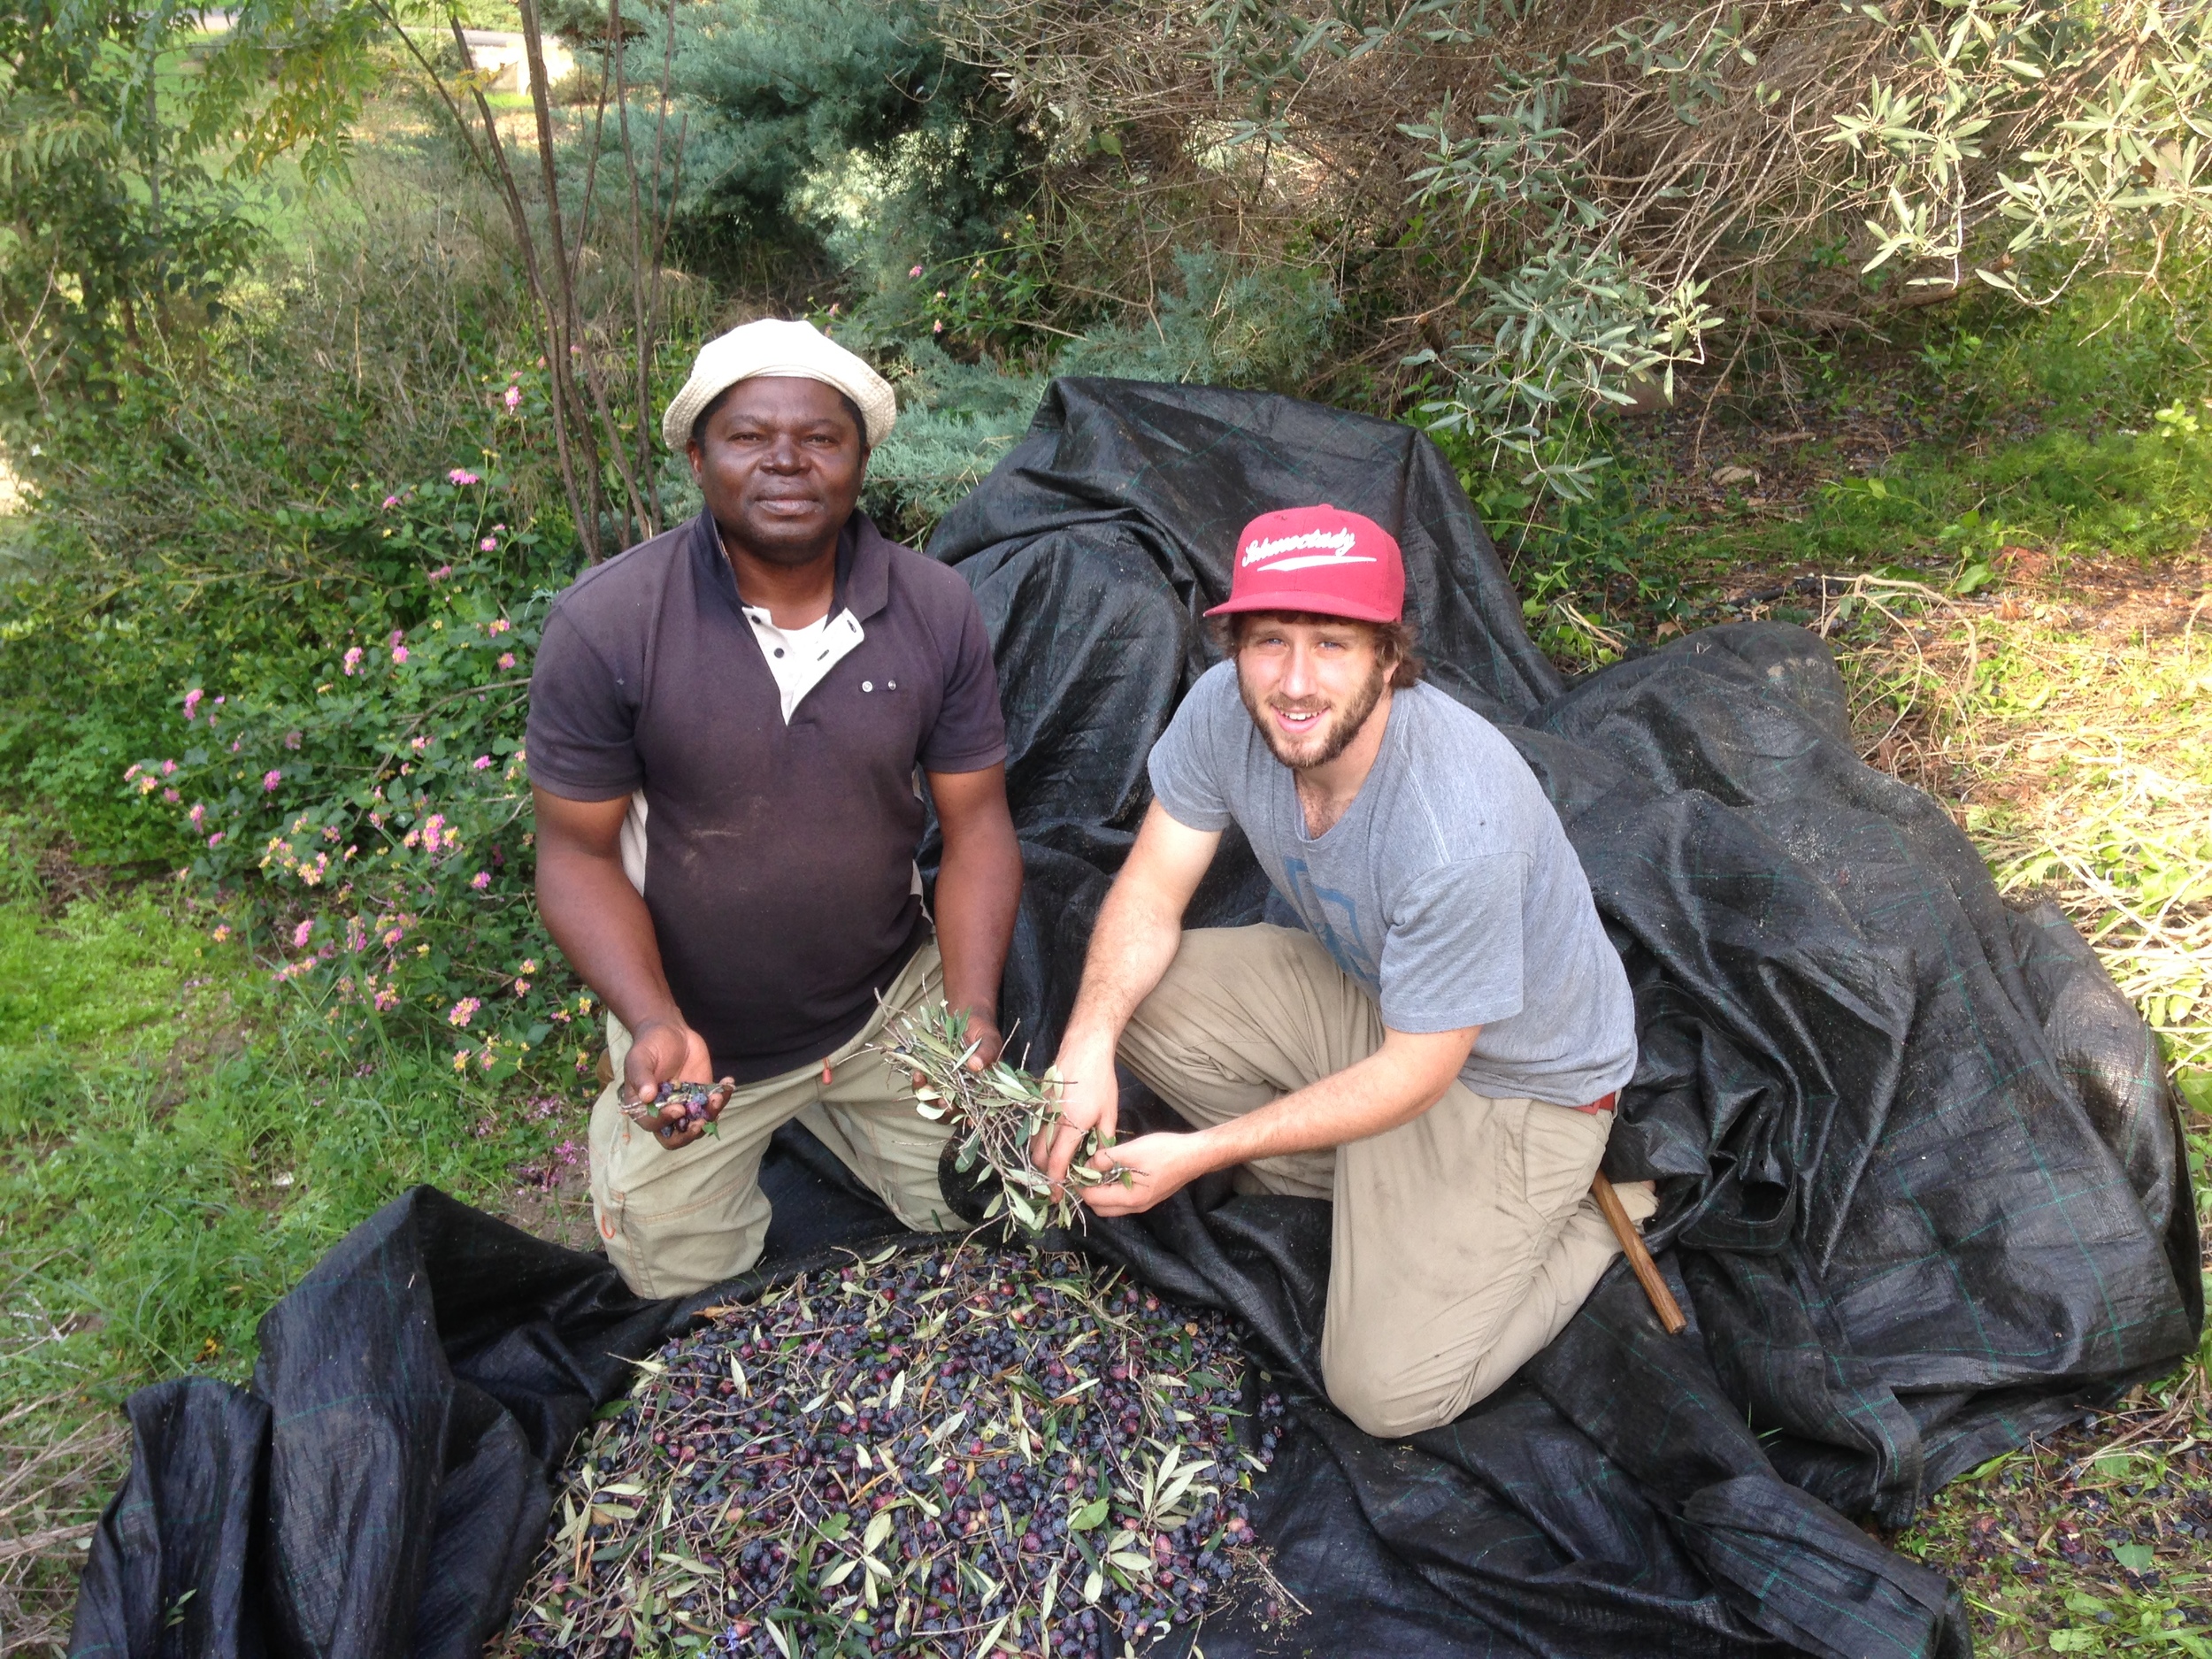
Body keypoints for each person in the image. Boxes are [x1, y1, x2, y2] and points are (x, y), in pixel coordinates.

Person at [1036, 503, 1653, 1438]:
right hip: (1379, 999)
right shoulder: (1223, 713)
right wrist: (1088, 1042)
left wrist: (1204, 1152)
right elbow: (1152, 890)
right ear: (1234, 647)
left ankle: (1595, 1215)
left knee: (1384, 1394)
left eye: (1331, 644)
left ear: (1390, 659)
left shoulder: (1454, 829)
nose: (1292, 682)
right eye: (1268, 641)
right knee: (1139, 999)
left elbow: (1420, 1072)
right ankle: (1365, 1177)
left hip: (1512, 1085)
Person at [526, 318, 1022, 1297]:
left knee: (989, 1209)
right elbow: (576, 857)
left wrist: (969, 1012)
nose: (786, 461)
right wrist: (652, 1020)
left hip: (885, 1004)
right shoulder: (611, 622)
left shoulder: (934, 607)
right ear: (698, 457)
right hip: (700, 1035)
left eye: (821, 437)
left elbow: (976, 827)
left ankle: (859, 1105)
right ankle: (702, 1108)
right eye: (750, 436)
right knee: (679, 1287)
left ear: (861, 458)